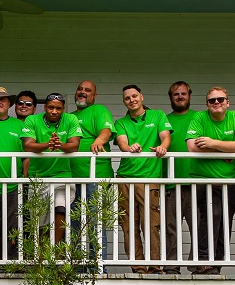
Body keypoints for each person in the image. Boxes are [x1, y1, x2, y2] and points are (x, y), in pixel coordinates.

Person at [185, 87, 235, 274]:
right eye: (212, 100)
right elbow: (192, 147)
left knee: (225, 221)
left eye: (220, 99)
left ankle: (216, 264)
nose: (216, 103)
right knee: (212, 216)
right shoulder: (199, 118)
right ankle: (203, 260)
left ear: (227, 102)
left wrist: (212, 143)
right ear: (207, 104)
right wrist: (224, 151)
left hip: (229, 180)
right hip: (203, 179)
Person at [113, 85, 172, 274]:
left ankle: (155, 267)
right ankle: (138, 267)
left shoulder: (158, 116)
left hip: (149, 179)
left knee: (151, 225)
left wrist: (163, 147)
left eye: (134, 96)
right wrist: (129, 147)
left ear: (142, 97)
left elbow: (165, 137)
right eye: (127, 98)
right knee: (129, 226)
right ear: (124, 102)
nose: (132, 100)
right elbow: (122, 143)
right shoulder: (121, 122)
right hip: (125, 179)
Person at [23, 93, 81, 243]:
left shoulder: (71, 119)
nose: (54, 111)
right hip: (38, 176)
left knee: (60, 209)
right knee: (40, 222)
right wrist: (48, 145)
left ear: (63, 109)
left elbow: (74, 145)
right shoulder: (32, 119)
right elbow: (28, 145)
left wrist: (59, 145)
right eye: (51, 107)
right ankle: (43, 258)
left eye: (58, 108)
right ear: (45, 107)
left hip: (62, 175)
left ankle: (54, 249)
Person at [0, 87, 30, 260]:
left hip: (13, 186)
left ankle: (12, 262)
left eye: (2, 99)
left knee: (13, 228)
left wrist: (24, 178)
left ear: (9, 103)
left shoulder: (20, 126)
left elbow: (27, 155)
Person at [70, 81, 114, 258]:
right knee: (74, 224)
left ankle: (97, 265)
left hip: (95, 177)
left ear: (94, 96)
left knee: (94, 223)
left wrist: (98, 141)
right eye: (79, 89)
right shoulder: (70, 116)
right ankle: (78, 267)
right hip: (72, 178)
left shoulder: (98, 110)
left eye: (87, 90)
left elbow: (106, 131)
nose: (82, 92)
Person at [163, 81, 198, 271]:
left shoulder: (199, 118)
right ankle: (171, 267)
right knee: (171, 228)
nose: (180, 97)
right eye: (176, 94)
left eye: (183, 93)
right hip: (170, 183)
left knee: (199, 227)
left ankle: (197, 266)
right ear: (170, 97)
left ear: (189, 95)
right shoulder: (164, 121)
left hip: (196, 181)